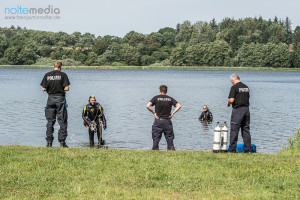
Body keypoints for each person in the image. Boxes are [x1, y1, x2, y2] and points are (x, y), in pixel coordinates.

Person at [41, 61, 70, 148]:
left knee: (50, 121)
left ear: (53, 66)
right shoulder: (63, 75)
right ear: (61, 67)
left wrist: (50, 89)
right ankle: (62, 142)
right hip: (60, 98)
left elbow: (43, 89)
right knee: (62, 120)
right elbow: (67, 88)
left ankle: (49, 142)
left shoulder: (47, 75)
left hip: (50, 98)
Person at [146, 85, 181, 150]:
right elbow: (179, 105)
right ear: (166, 91)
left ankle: (155, 150)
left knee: (156, 137)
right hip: (167, 121)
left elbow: (148, 106)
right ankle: (171, 150)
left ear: (159, 90)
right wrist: (172, 113)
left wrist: (154, 113)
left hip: (158, 120)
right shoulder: (170, 99)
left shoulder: (156, 98)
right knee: (169, 138)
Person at [226, 73, 251, 153]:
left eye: (231, 81)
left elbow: (232, 100)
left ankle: (232, 149)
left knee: (234, 129)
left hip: (238, 110)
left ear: (233, 80)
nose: (231, 83)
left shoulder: (234, 87)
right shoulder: (246, 87)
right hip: (246, 110)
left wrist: (228, 103)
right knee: (245, 129)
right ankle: (248, 149)